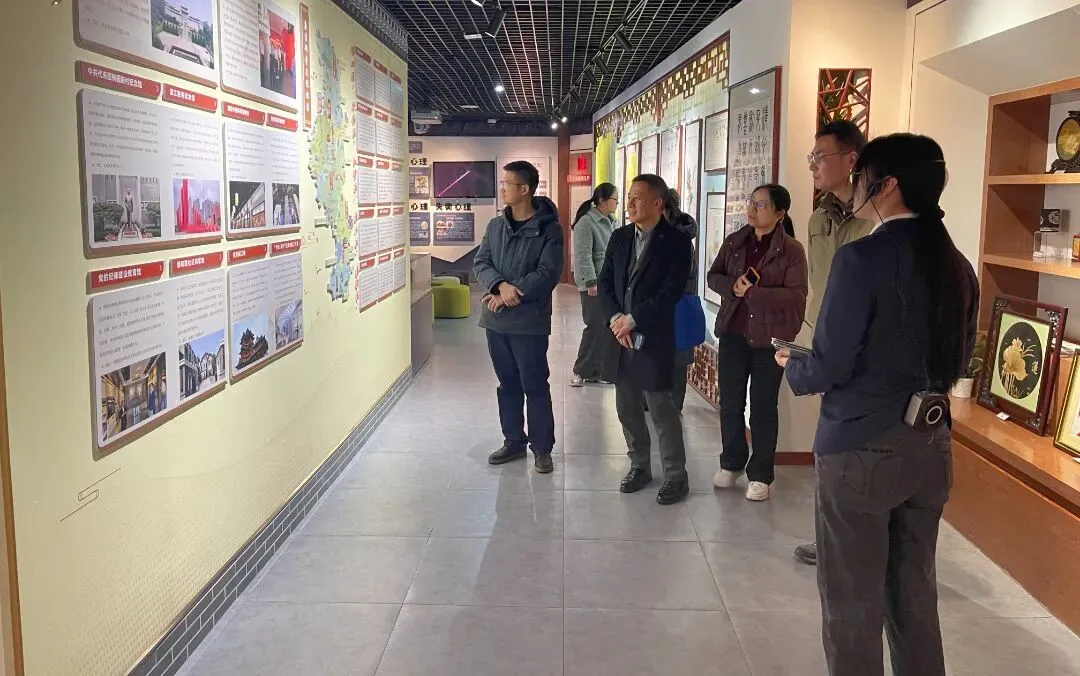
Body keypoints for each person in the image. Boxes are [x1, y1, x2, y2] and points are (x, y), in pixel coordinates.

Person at [777, 133, 978, 676]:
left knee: (852, 604)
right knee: (915, 598)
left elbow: (830, 363)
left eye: (863, 176)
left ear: (887, 185)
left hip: (861, 449)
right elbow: (960, 359)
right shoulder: (957, 264)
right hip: (931, 447)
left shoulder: (861, 259)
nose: (856, 185)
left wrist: (793, 365)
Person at [794, 119, 874, 566]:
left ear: (851, 159)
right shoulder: (818, 218)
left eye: (819, 157)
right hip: (826, 345)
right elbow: (816, 287)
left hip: (865, 351)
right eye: (811, 158)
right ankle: (830, 541)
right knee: (828, 448)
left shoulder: (876, 218)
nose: (813, 166)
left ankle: (852, 546)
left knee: (855, 451)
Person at [707, 184, 807, 501]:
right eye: (752, 202)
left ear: (780, 213)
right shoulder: (735, 242)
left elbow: (796, 297)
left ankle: (761, 474)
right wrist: (732, 286)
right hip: (733, 334)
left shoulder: (792, 250)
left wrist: (754, 293)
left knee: (763, 407)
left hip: (769, 340)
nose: (752, 208)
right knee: (730, 403)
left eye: (761, 204)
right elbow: (713, 276)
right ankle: (731, 462)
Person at [597, 174, 693, 505]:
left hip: (654, 336)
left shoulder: (677, 242)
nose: (630, 203)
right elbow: (605, 282)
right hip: (619, 336)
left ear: (657, 202)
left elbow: (670, 291)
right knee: (626, 406)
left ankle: (676, 476)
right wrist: (616, 319)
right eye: (629, 196)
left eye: (638, 197)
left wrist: (633, 319)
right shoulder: (620, 237)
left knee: (661, 408)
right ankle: (639, 465)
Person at [473, 161, 565, 474]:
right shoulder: (495, 226)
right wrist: (499, 286)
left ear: (524, 189)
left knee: (535, 385)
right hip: (496, 321)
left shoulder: (548, 229)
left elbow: (548, 272)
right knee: (507, 384)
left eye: (507, 184)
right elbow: (481, 262)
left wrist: (512, 293)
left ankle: (542, 448)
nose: (502, 189)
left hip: (529, 322)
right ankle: (513, 440)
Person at [571, 183, 619, 387]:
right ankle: (580, 370)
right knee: (595, 326)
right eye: (615, 199)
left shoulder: (613, 222)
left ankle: (596, 371)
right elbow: (582, 256)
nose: (617, 203)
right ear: (602, 201)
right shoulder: (586, 222)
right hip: (593, 284)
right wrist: (591, 282)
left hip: (608, 284)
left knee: (605, 328)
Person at [663, 189, 699, 413]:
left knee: (677, 356)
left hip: (677, 303)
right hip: (667, 304)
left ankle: (673, 404)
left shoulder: (679, 239)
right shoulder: (661, 233)